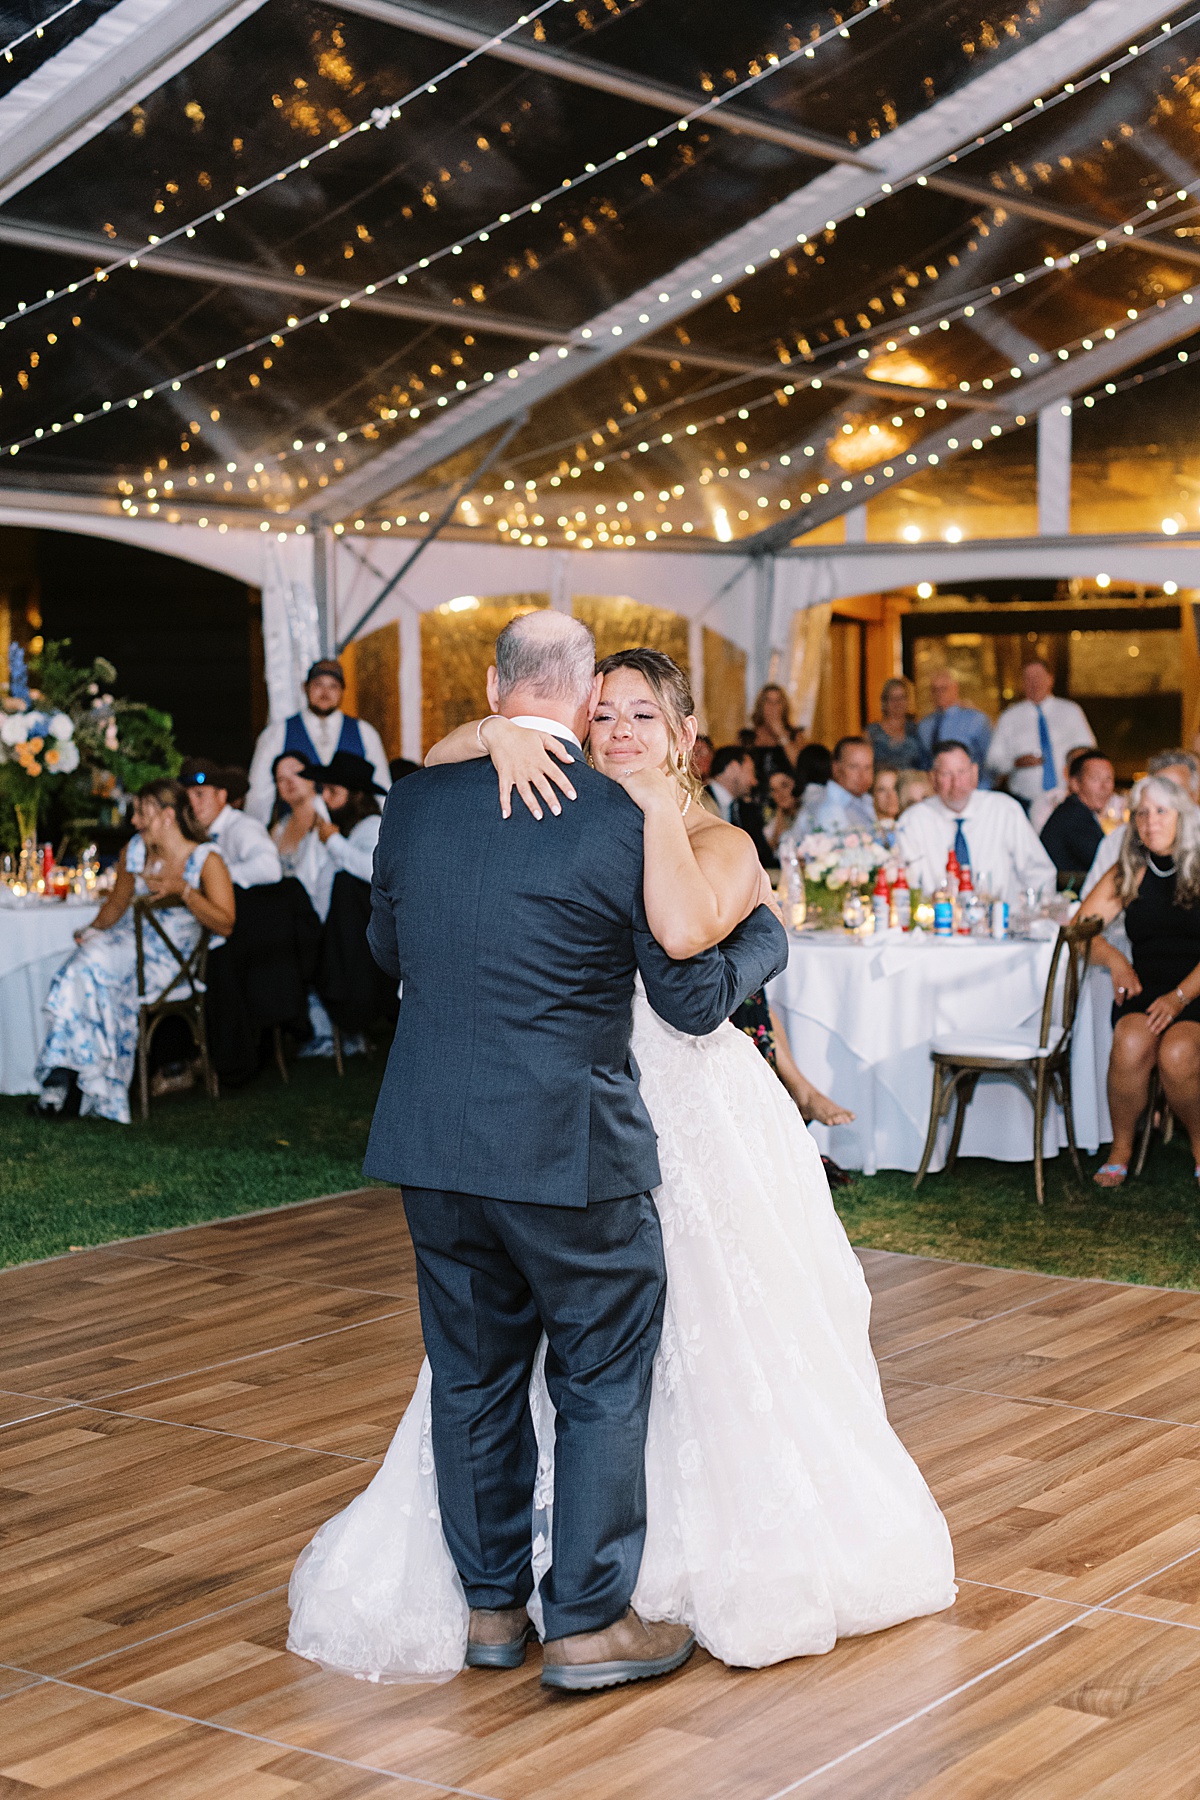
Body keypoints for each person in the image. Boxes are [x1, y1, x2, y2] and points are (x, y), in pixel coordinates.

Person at [288, 628, 954, 1686]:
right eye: (603, 714)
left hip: (577, 1125)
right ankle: (583, 1617)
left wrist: (521, 745)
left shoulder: (497, 808)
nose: (620, 730)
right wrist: (510, 738)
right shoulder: (582, 814)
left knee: (535, 1369)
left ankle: (506, 1610)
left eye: (644, 715)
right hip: (578, 1130)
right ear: (571, 715)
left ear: (689, 733)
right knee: (589, 1370)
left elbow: (679, 972)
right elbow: (676, 966)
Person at [31, 779, 235, 1124]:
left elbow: (226, 923)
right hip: (125, 947)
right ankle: (73, 1078)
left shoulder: (206, 859)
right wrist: (92, 930)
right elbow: (115, 907)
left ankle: (76, 1083)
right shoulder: (135, 851)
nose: (135, 821)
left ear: (168, 815)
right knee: (83, 965)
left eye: (143, 812)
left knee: (90, 969)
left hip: (171, 962)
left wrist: (185, 891)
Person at [1080, 776, 1200, 1188]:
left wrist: (1180, 997)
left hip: (1195, 989)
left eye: (1161, 811)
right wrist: (1114, 960)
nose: (1150, 822)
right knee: (1130, 1042)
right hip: (1147, 987)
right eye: (1142, 813)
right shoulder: (1130, 870)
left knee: (1178, 1052)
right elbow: (1079, 931)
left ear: (1182, 816)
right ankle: (1121, 1149)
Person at [895, 740, 1056, 904]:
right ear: (933, 778)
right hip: (936, 921)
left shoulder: (1005, 810)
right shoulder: (913, 820)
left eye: (962, 772)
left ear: (974, 772)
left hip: (1003, 920)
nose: (956, 782)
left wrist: (1032, 916)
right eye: (946, 774)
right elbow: (905, 883)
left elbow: (1038, 872)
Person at [245, 658, 391, 824]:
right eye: (318, 684)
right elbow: (259, 794)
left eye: (333, 686)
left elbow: (382, 788)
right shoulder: (277, 732)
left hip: (353, 835)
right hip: (298, 835)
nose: (325, 692)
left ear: (343, 691)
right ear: (305, 687)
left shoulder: (365, 732)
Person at [986, 659, 1095, 811]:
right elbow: (992, 761)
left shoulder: (1071, 711)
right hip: (1024, 801)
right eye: (1028, 678)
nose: (1034, 682)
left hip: (1067, 799)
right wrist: (1015, 762)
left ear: (1050, 679)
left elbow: (1089, 751)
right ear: (1022, 683)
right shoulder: (1009, 717)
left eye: (1038, 676)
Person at [181, 757, 281, 888]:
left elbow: (270, 869)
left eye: (200, 794)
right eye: (187, 799)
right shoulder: (198, 833)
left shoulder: (242, 826)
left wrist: (214, 876)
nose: (193, 804)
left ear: (221, 796)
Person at [1039, 749, 1115, 881]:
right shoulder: (1074, 816)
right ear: (1074, 784)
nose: (1104, 787)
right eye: (1095, 779)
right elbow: (1108, 863)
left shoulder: (1073, 810)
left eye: (1109, 779)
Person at [916, 668, 993, 777]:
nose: (939, 694)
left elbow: (989, 760)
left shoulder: (976, 720)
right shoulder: (924, 725)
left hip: (971, 787)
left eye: (944, 689)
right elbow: (924, 763)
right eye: (934, 690)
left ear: (955, 689)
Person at [1029, 743, 1095, 836]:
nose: (1083, 775)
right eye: (1078, 769)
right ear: (1066, 772)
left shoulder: (1115, 806)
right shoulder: (1045, 803)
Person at [813, 736, 876, 833]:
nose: (862, 775)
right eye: (854, 767)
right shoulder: (827, 806)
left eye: (867, 767)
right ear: (836, 768)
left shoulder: (866, 800)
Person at [749, 682, 804, 781]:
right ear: (761, 705)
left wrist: (782, 735)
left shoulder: (795, 735)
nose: (772, 707)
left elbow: (801, 767)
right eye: (768, 702)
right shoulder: (747, 736)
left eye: (777, 702)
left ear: (783, 706)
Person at [868, 677, 925, 772]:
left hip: (910, 783)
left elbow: (925, 762)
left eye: (901, 697)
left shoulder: (916, 729)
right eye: (893, 698)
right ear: (885, 702)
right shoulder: (872, 731)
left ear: (907, 701)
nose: (898, 702)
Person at [762, 768, 799, 853]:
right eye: (774, 790)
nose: (780, 793)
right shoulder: (771, 826)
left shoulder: (809, 814)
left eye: (784, 785)